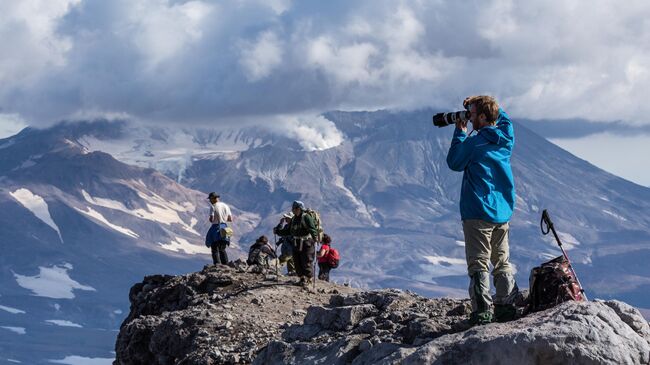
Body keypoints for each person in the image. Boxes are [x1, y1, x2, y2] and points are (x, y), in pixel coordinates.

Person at [446, 95, 519, 325]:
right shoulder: (506, 138)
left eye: (473, 113)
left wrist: (460, 131)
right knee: (502, 261)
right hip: (502, 212)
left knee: (479, 264)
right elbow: (504, 119)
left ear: (483, 116)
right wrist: (482, 101)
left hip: (478, 211)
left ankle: (483, 312)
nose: (470, 116)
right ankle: (506, 307)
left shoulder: (474, 143)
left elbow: (454, 162)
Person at [273, 200, 318, 288]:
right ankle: (302, 279)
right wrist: (278, 231)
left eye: (295, 208)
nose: (293, 210)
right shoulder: (294, 219)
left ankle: (309, 280)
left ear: (299, 208)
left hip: (306, 242)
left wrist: (315, 238)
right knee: (297, 261)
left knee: (306, 261)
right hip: (296, 242)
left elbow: (312, 229)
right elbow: (288, 231)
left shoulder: (306, 217)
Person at [204, 192, 233, 265]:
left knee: (214, 248)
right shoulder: (226, 206)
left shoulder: (213, 206)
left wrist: (213, 219)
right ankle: (225, 264)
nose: (210, 201)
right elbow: (230, 219)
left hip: (215, 228)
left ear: (213, 198)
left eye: (210, 199)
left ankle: (217, 264)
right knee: (222, 248)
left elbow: (211, 219)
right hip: (225, 227)